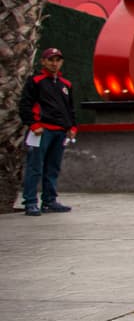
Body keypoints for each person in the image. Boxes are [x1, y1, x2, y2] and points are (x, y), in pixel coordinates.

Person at [18, 47, 78, 216]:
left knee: (53, 167)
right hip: (42, 131)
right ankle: (30, 202)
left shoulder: (66, 84)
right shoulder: (35, 81)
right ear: (43, 61)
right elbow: (25, 105)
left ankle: (49, 200)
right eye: (50, 60)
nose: (54, 63)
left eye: (57, 60)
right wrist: (33, 124)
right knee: (35, 167)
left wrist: (72, 127)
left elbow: (70, 109)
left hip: (60, 132)